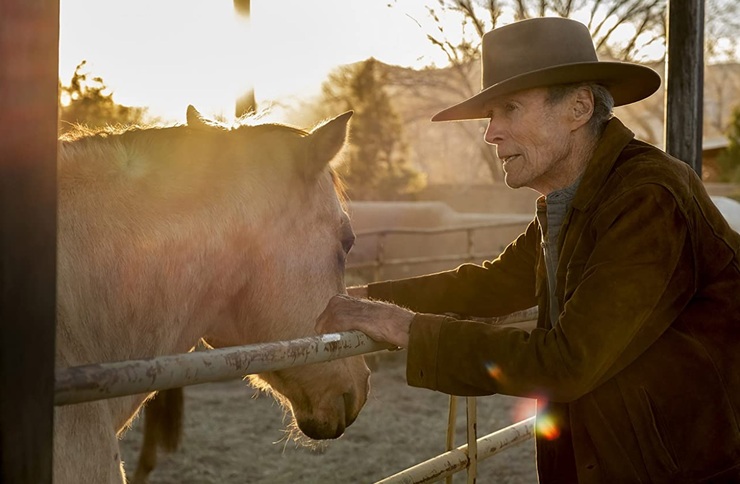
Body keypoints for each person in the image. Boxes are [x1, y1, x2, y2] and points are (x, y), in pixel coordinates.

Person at [315, 17, 740, 483]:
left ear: (578, 108)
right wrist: (362, 298)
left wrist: (403, 327)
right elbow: (494, 283)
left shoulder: (648, 198)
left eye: (509, 109)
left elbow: (566, 363)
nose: (490, 133)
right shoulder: (577, 200)